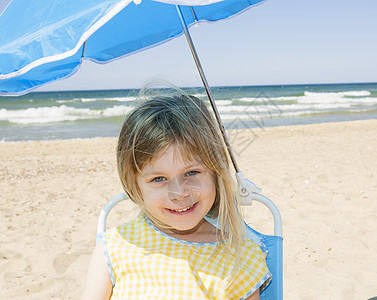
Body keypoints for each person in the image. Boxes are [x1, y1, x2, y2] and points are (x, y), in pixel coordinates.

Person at [80, 92, 271, 299]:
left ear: (216, 172)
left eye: (191, 173)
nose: (179, 193)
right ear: (135, 186)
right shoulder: (116, 246)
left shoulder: (240, 257)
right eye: (159, 179)